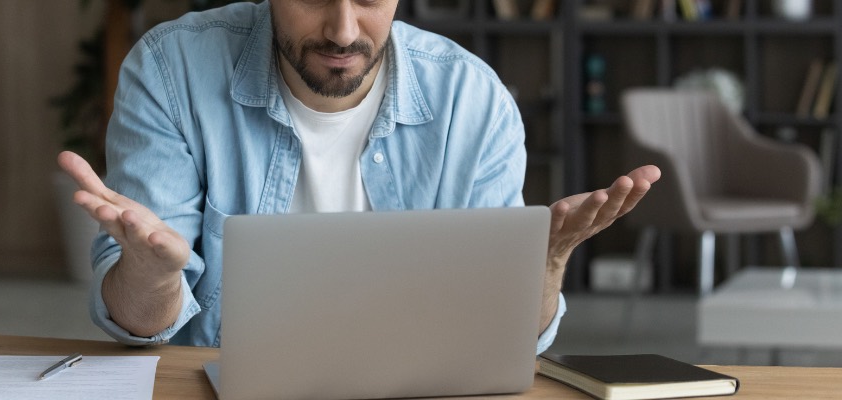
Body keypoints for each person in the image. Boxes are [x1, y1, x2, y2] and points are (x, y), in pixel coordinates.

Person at [57, 0, 661, 352]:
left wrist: (543, 270)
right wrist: (154, 276)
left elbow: (502, 342)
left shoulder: (472, 99)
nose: (343, 31)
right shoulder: (171, 72)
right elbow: (139, 328)